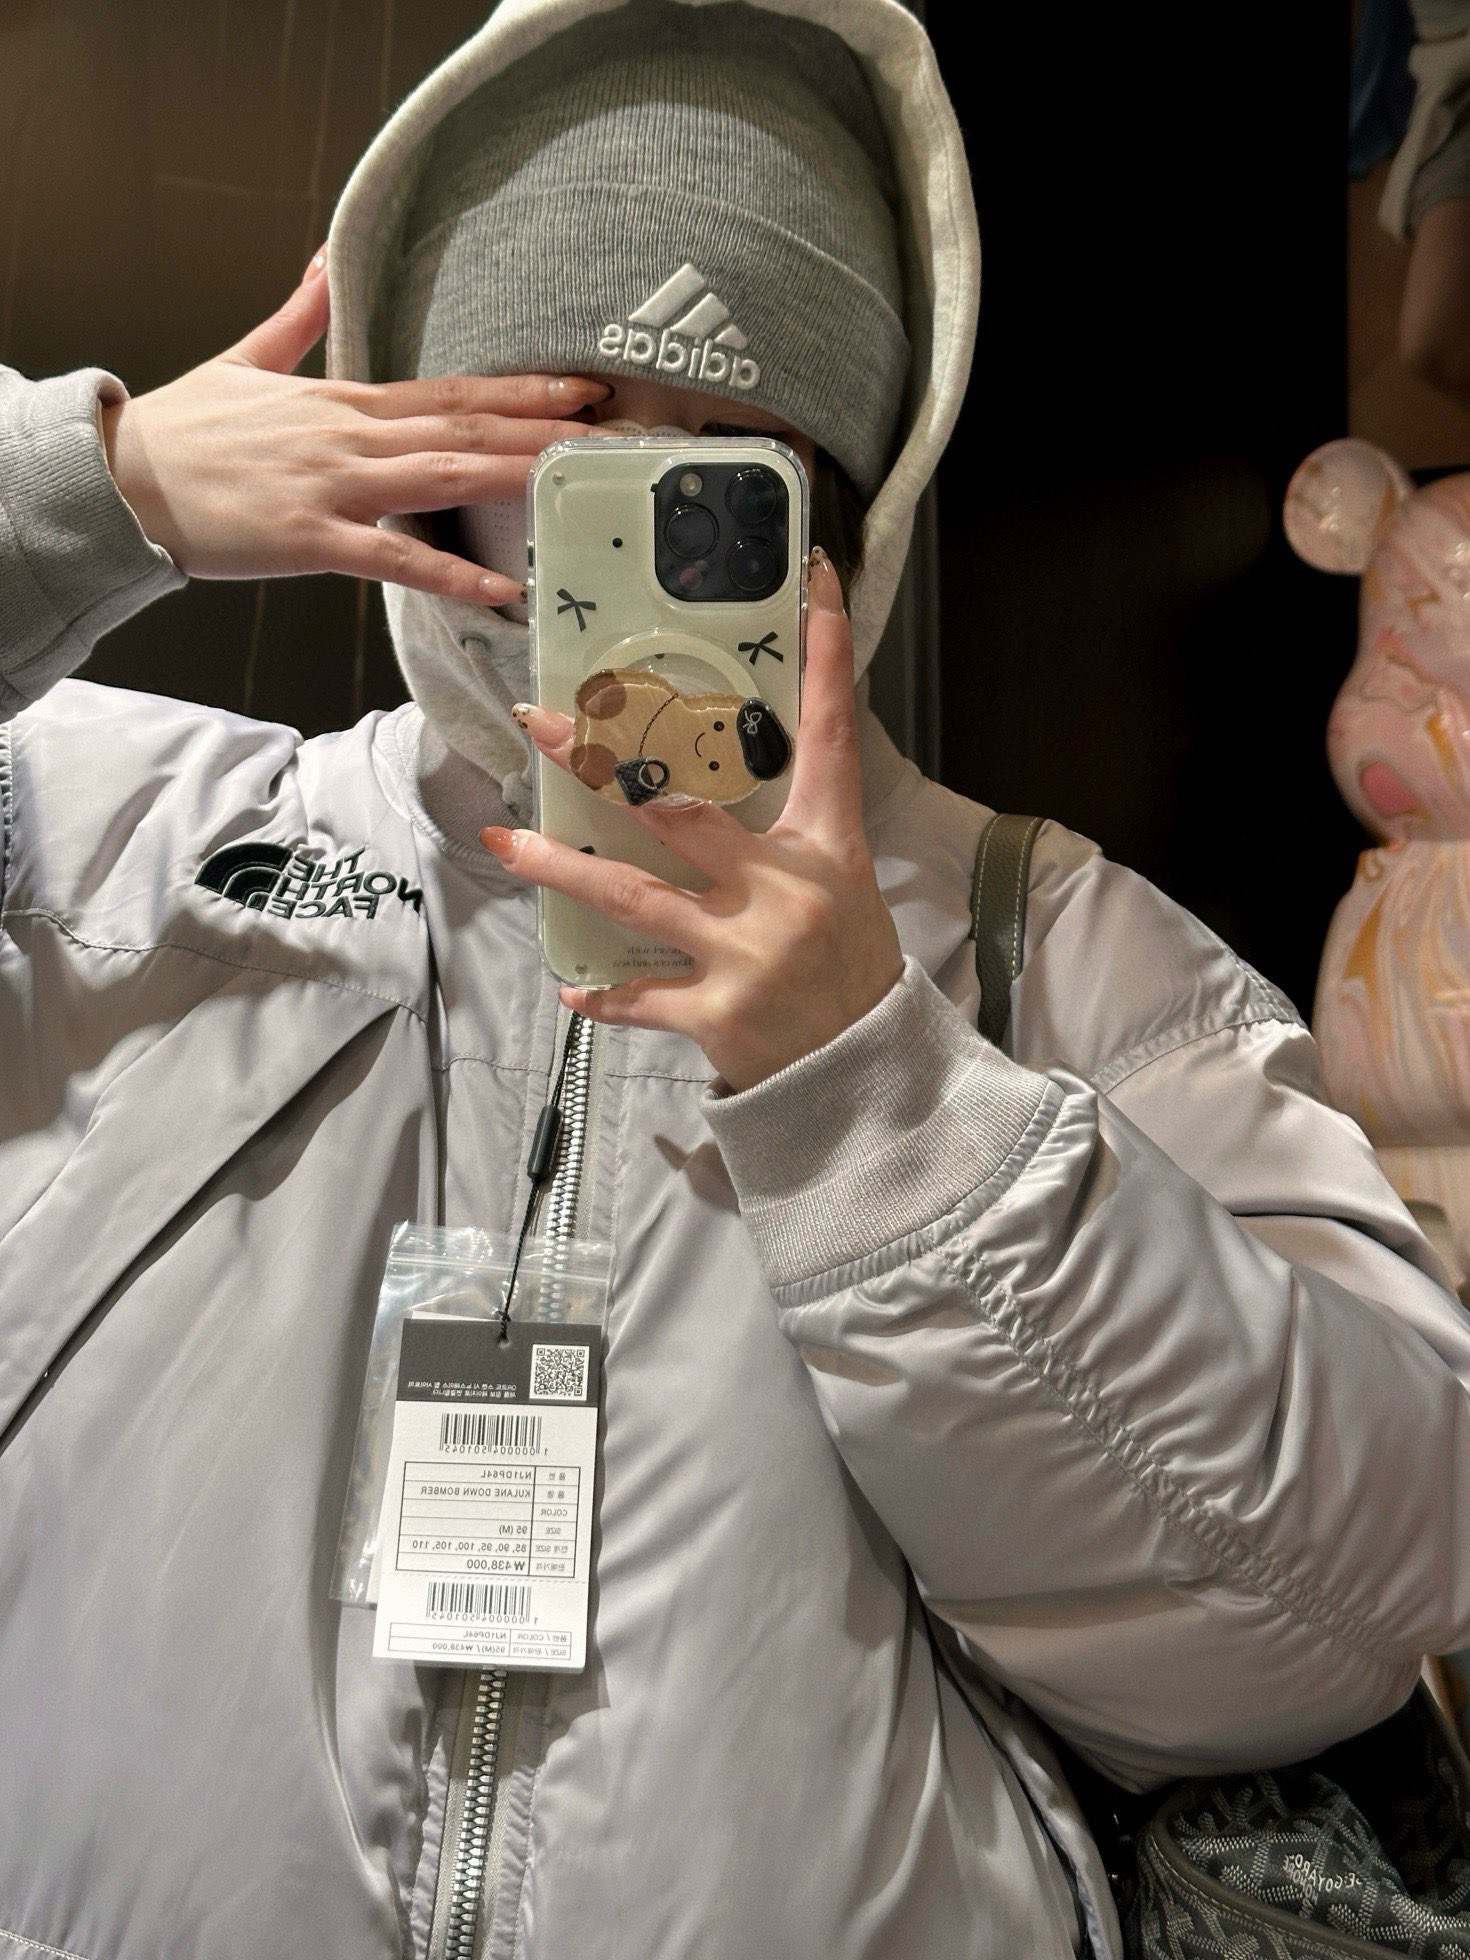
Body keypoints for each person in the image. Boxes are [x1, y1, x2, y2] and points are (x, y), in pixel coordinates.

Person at [3, 3, 1470, 1956]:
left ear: (841, 505)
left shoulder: (1055, 944)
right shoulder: (125, 844)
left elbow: (1346, 1609)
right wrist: (83, 490)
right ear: (401, 437)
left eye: (726, 465)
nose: (621, 503)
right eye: (546, 422)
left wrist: (886, 1105)